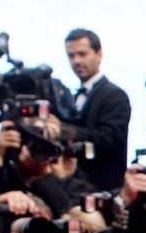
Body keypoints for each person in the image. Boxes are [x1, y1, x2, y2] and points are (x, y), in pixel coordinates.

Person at [56, 29, 132, 190]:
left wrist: (67, 131)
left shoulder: (115, 95)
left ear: (99, 54)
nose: (76, 61)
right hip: (71, 186)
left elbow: (108, 139)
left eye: (82, 54)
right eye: (71, 56)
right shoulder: (71, 97)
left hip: (104, 189)